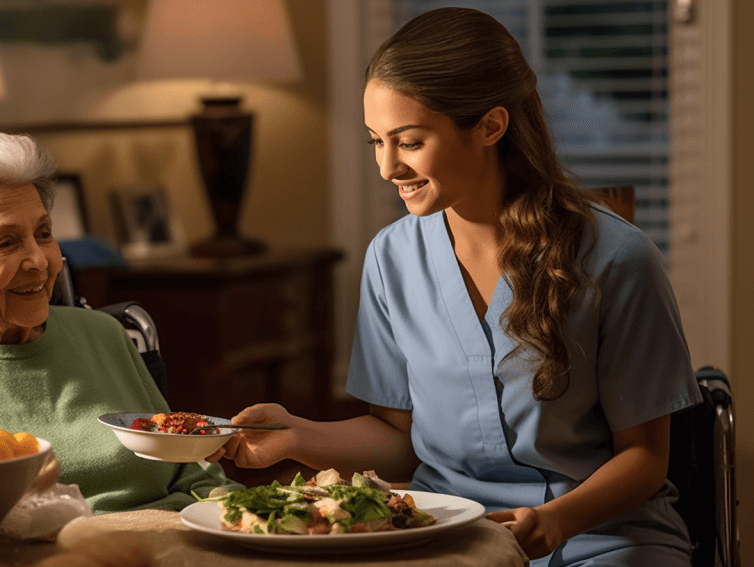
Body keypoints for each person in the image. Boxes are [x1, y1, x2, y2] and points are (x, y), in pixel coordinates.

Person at [208, 7, 701, 565]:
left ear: (490, 126)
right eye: (376, 142)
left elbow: (645, 459)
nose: (387, 167)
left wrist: (558, 520)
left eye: (409, 142)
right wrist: (296, 435)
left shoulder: (618, 258)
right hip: (445, 537)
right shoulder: (391, 259)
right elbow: (396, 439)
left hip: (598, 539)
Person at [0, 131, 241, 513]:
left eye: (43, 234)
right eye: (4, 242)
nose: (40, 260)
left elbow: (193, 475)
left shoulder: (105, 335)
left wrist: (250, 516)